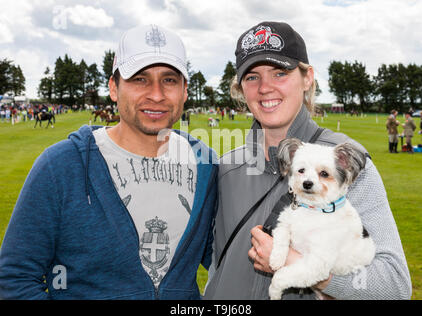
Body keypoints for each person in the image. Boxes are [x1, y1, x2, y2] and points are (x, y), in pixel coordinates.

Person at [0, 24, 218, 300]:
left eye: (170, 80)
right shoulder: (60, 166)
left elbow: (223, 257)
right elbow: (16, 278)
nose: (156, 94)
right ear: (114, 88)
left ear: (185, 91)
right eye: (139, 79)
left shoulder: (205, 164)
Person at [204, 21, 411, 300]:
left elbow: (394, 285)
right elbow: (217, 261)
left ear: (307, 78)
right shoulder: (227, 166)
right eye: (252, 77)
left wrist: (303, 267)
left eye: (280, 73)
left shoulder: (344, 165)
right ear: (241, 88)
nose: (265, 87)